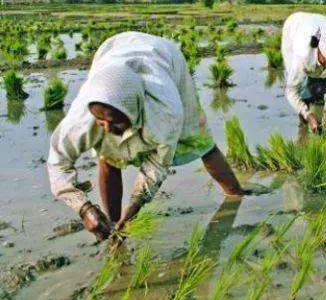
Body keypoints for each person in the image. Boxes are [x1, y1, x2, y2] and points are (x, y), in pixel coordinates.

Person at [47, 32, 247, 241]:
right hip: (112, 54)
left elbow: (157, 165)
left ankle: (236, 195)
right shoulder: (82, 118)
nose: (106, 128)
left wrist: (136, 205)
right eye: (100, 121)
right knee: (109, 155)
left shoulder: (166, 111)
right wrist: (83, 208)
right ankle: (113, 226)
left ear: (133, 109)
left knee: (198, 138)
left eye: (114, 121)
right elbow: (56, 164)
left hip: (163, 58)